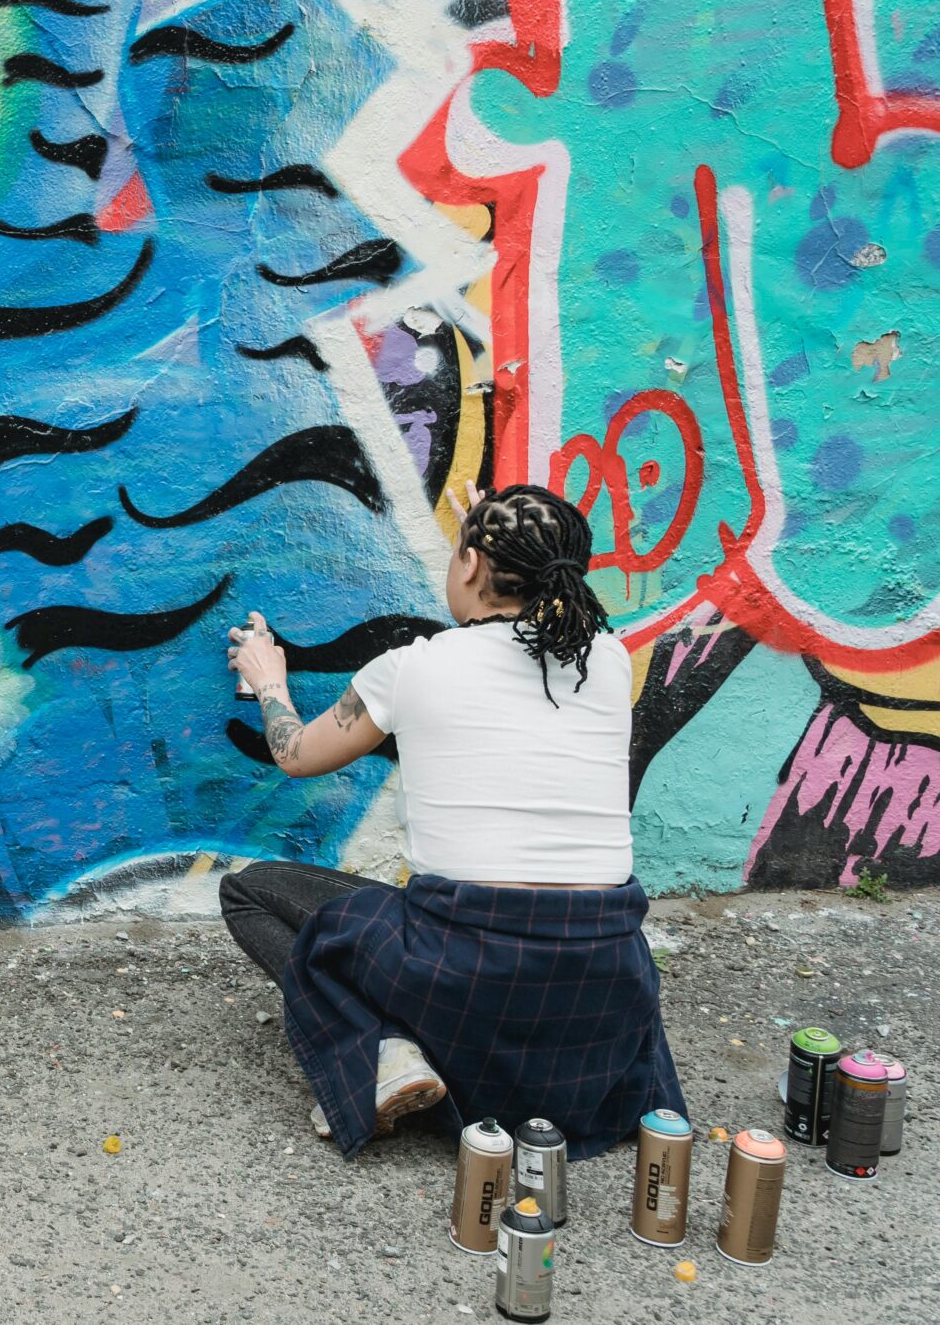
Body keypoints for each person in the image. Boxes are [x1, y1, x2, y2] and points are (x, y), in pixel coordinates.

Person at [217, 483, 684, 1157]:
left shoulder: (411, 668)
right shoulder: (608, 659)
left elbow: (295, 755)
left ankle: (384, 1052)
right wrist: (498, 536)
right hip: (604, 982)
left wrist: (268, 680)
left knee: (251, 890)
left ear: (469, 564)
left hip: (468, 971)